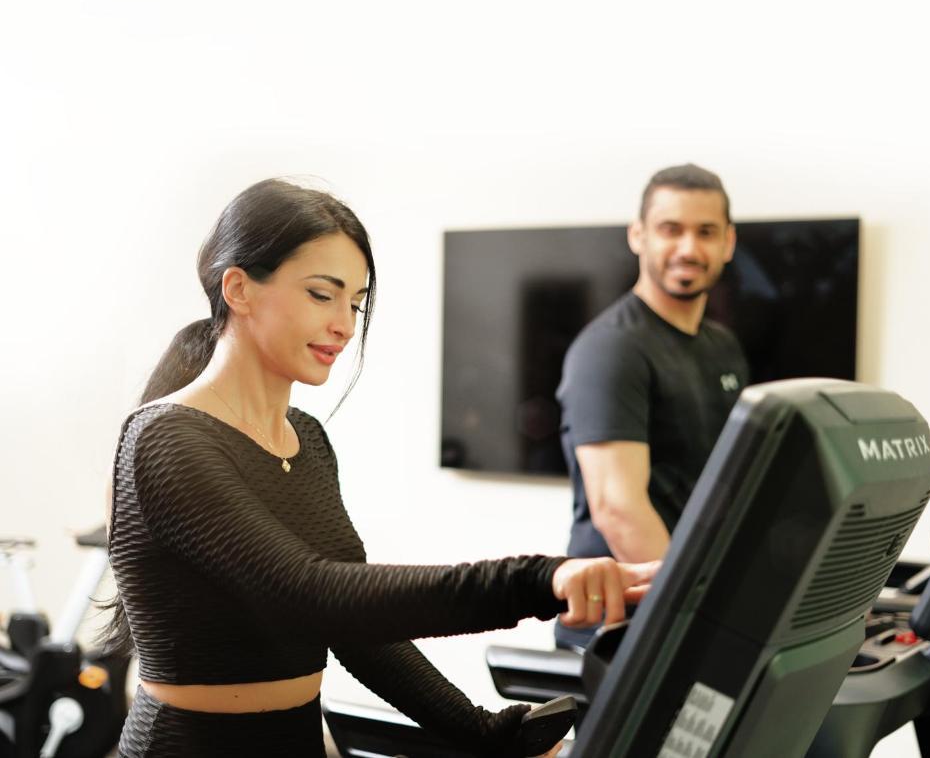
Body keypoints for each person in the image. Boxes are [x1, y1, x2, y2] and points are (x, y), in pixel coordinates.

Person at [103, 178, 657, 758]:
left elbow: (356, 632)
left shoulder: (307, 440)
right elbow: (311, 595)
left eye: (356, 302)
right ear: (239, 288)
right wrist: (535, 581)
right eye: (323, 294)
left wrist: (489, 732)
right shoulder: (166, 439)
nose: (345, 324)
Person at [554, 164, 749, 650]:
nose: (688, 248)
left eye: (705, 232)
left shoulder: (722, 346)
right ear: (638, 236)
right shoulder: (613, 350)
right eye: (670, 229)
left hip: (690, 612)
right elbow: (618, 509)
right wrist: (693, 617)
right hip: (626, 627)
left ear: (728, 242)